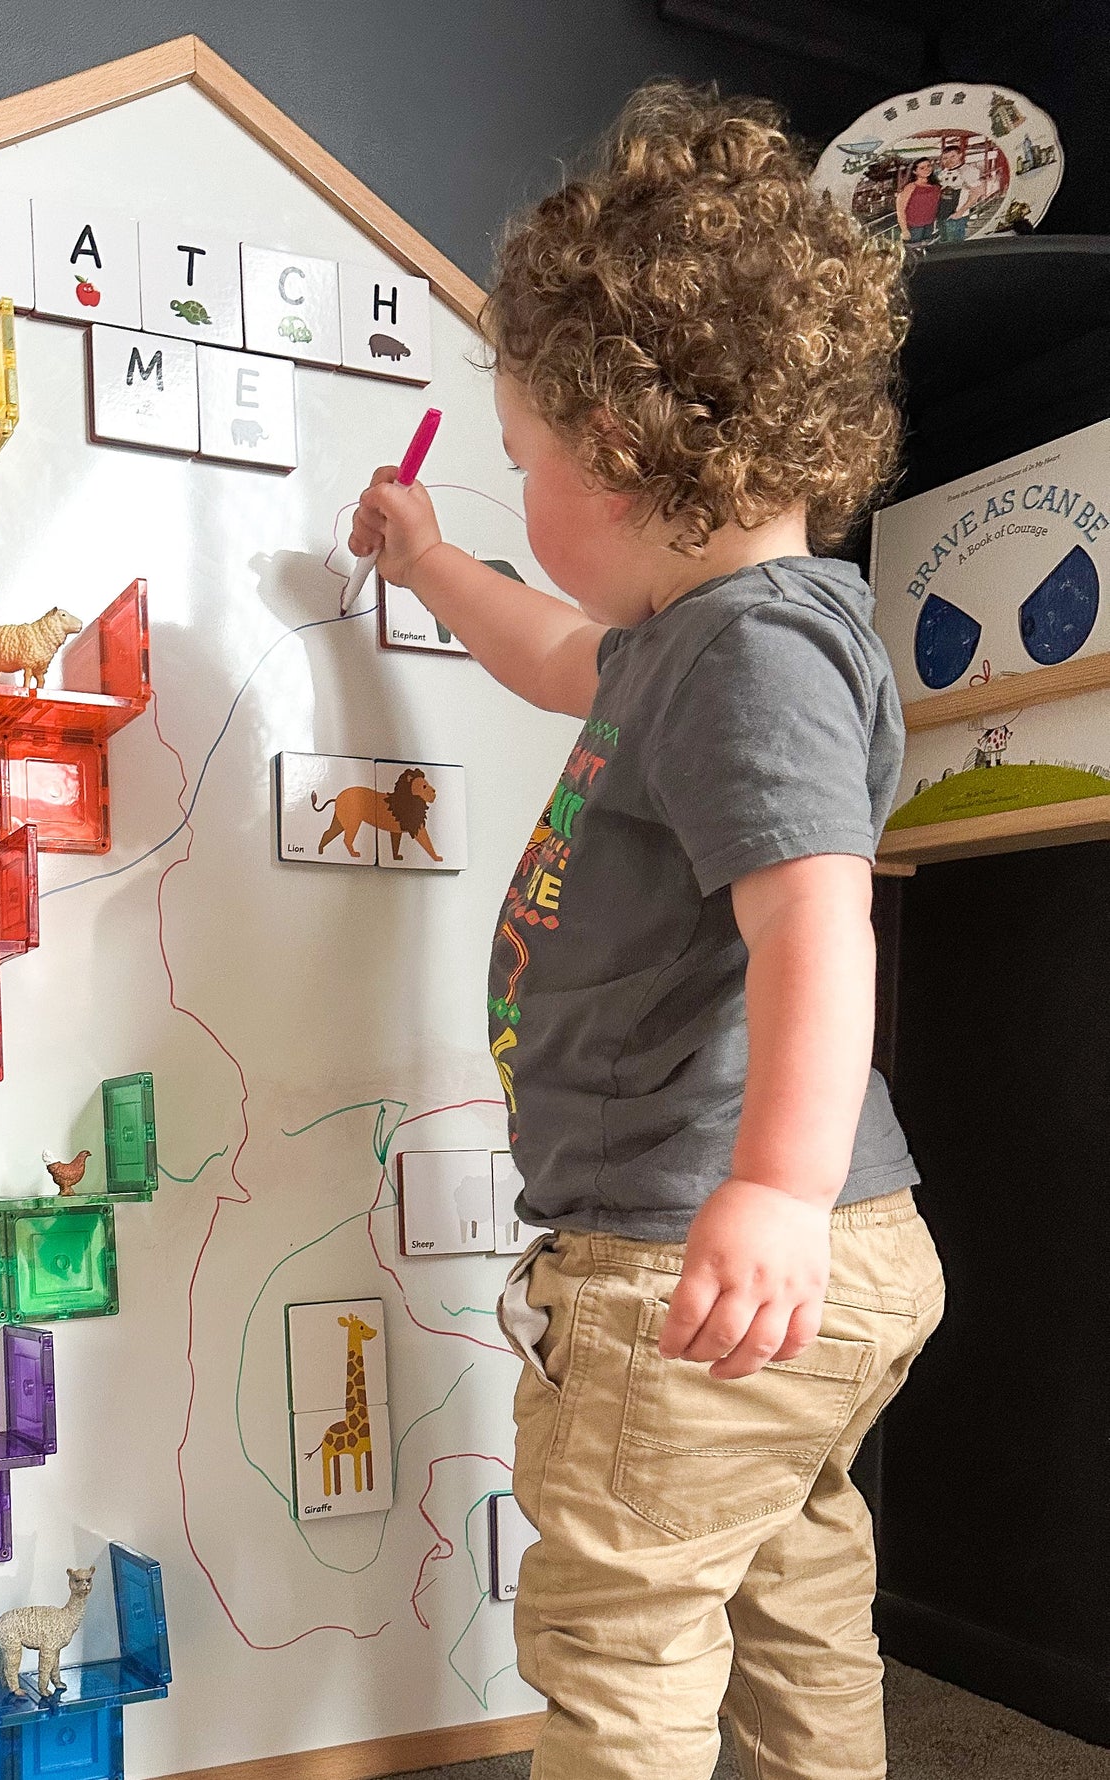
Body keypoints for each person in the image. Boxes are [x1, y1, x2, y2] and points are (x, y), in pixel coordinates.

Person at [349, 81, 943, 1780]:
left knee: (621, 1627)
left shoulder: (748, 659)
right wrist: (431, 558)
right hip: (829, 1247)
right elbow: (550, 653)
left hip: (699, 1245)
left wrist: (762, 1193)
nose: (519, 485)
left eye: (520, 459)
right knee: (791, 1579)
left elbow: (820, 927)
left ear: (610, 454)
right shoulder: (705, 637)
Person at [935, 141, 993, 243]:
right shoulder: (942, 173)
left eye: (952, 156)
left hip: (956, 215)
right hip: (941, 215)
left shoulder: (968, 171)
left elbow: (977, 192)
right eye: (945, 158)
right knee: (943, 243)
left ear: (960, 155)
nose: (949, 160)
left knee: (954, 245)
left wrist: (960, 212)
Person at [895, 154, 942, 244]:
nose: (927, 169)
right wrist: (904, 229)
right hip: (914, 225)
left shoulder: (935, 186)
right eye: (922, 168)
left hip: (930, 223)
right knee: (914, 250)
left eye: (928, 166)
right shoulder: (911, 187)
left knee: (927, 248)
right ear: (915, 171)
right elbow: (900, 209)